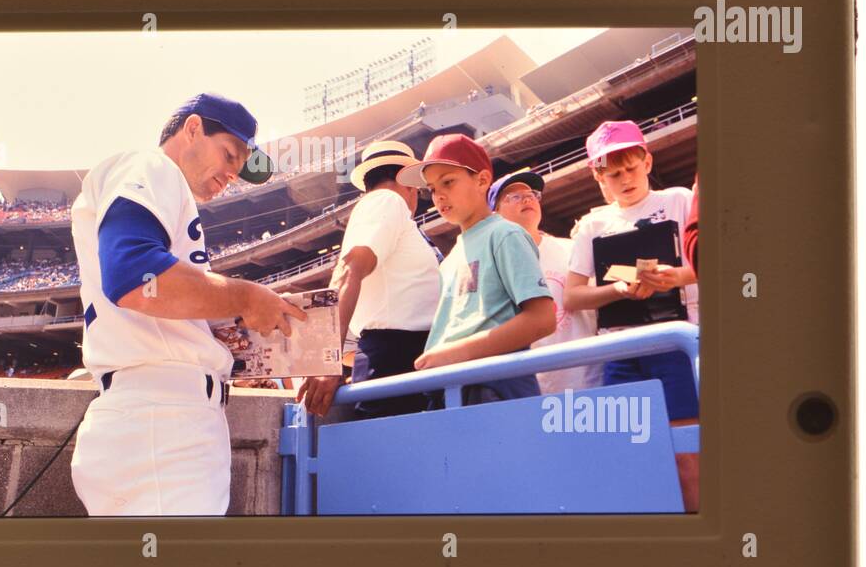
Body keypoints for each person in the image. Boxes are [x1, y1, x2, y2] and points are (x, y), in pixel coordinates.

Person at [68, 93, 306, 516]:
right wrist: (245, 296)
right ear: (193, 128)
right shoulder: (152, 166)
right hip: (161, 423)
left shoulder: (165, 192)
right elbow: (134, 276)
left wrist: (234, 320)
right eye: (229, 155)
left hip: (157, 422)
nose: (232, 174)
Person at [562, 119, 699, 510]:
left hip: (674, 339)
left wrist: (675, 278)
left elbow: (713, 262)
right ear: (598, 178)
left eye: (631, 168)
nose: (625, 179)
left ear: (647, 162)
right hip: (620, 350)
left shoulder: (679, 199)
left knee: (687, 453)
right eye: (613, 173)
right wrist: (618, 290)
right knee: (633, 454)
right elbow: (572, 296)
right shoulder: (592, 224)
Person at [395, 134, 556, 405]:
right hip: (453, 386)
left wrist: (451, 354)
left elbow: (542, 319)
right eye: (432, 189)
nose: (439, 195)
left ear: (482, 180)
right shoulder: (449, 259)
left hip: (496, 387)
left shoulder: (504, 233)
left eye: (448, 181)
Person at [296, 141, 441, 419]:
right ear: (408, 182)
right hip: (395, 356)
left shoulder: (390, 211)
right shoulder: (387, 200)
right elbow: (349, 270)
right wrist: (326, 360)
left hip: (407, 356)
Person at [488, 168, 602, 393]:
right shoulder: (493, 266)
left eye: (531, 194)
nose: (527, 198)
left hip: (589, 380)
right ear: (495, 214)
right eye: (514, 196)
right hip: (532, 389)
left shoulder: (573, 250)